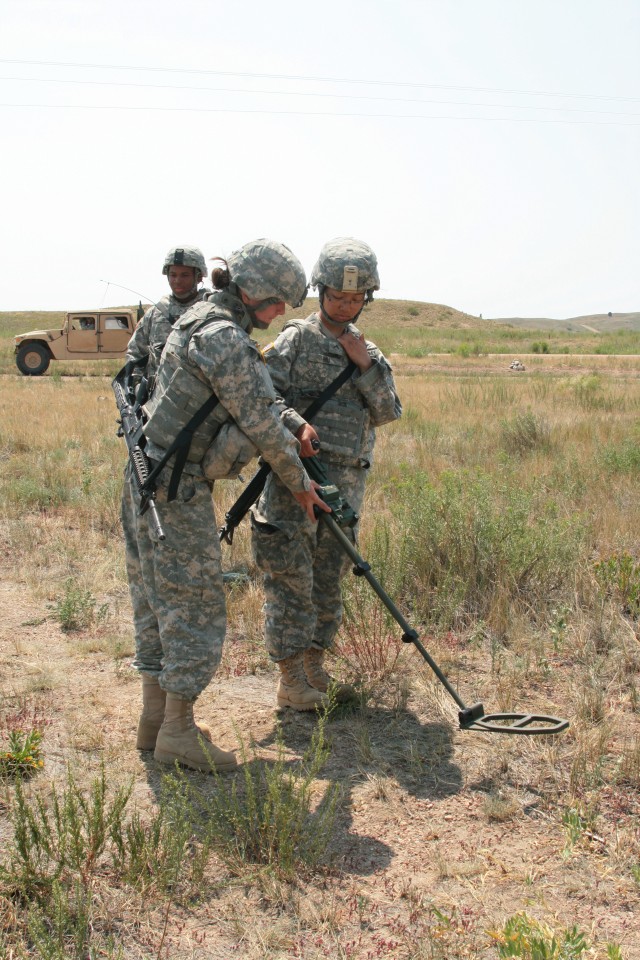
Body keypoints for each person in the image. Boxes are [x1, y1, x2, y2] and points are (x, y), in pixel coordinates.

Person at [121, 239, 329, 773]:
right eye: (278, 301)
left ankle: (153, 720)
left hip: (144, 479)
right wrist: (302, 485)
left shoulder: (194, 319)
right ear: (254, 290)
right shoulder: (225, 339)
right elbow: (259, 420)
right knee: (194, 610)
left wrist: (287, 425)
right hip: (175, 491)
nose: (281, 312)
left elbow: (256, 402)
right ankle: (177, 732)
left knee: (154, 601)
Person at [251, 237, 402, 710]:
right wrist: (296, 425)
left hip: (344, 491)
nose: (345, 306)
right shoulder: (296, 339)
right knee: (290, 580)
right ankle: (291, 679)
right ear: (320, 292)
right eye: (336, 296)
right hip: (294, 481)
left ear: (367, 300)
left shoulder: (369, 352)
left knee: (326, 582)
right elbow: (260, 398)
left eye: (355, 299)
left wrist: (364, 367)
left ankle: (315, 666)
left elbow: (387, 411)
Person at [126, 245, 209, 390]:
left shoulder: (211, 310)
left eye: (185, 275)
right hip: (158, 403)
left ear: (199, 276)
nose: (177, 281)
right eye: (173, 275)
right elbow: (135, 354)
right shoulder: (155, 313)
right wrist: (137, 386)